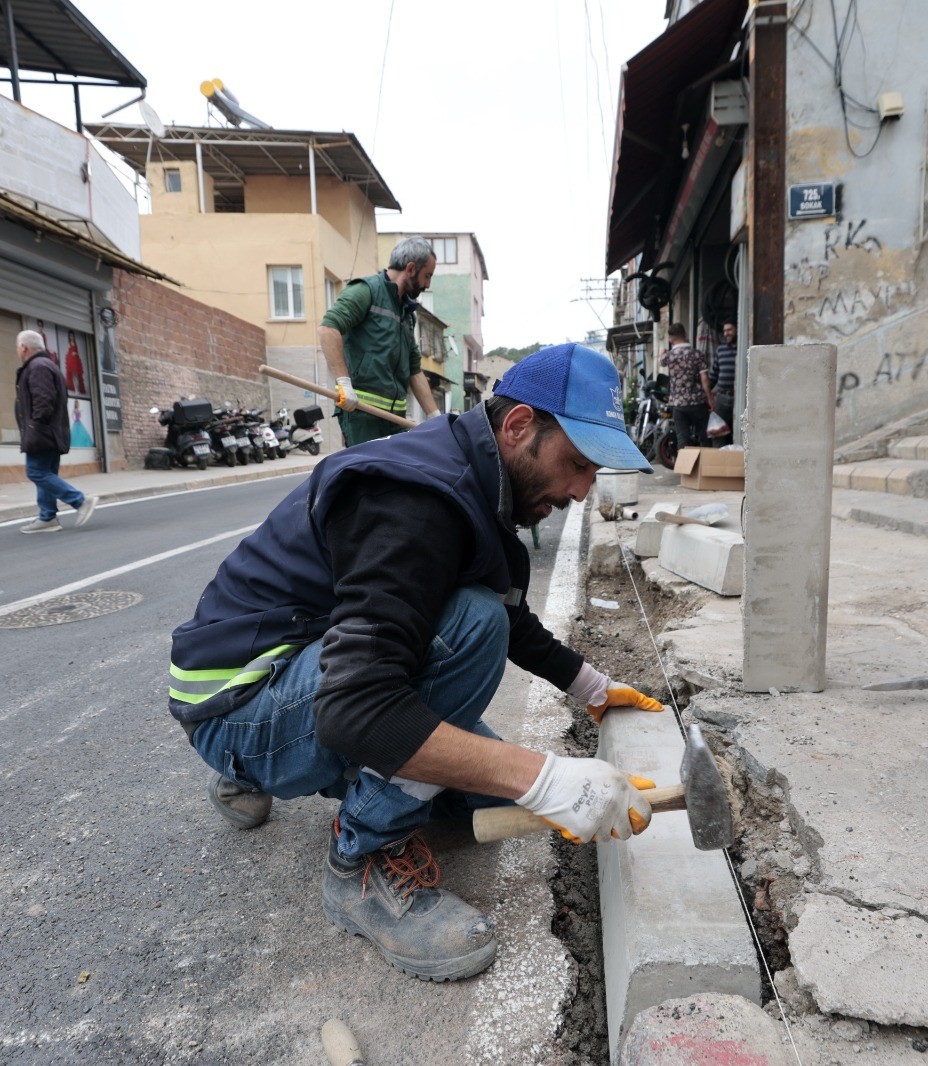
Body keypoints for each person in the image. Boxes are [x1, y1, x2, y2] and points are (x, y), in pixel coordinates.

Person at [167, 343, 666, 982]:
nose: (580, 489)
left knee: (470, 775)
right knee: (471, 630)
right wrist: (543, 780)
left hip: (279, 671)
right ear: (519, 427)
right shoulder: (416, 501)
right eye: (576, 464)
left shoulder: (476, 478)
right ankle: (361, 861)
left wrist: (593, 687)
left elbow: (510, 612)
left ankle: (257, 773)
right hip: (237, 703)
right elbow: (357, 711)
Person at [319, 236, 442, 446]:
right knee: (368, 469)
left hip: (395, 419)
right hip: (361, 414)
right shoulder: (366, 291)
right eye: (427, 276)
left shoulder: (406, 314)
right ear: (411, 268)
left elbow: (414, 371)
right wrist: (343, 383)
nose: (427, 284)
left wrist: (435, 417)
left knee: (397, 468)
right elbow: (328, 329)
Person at [15, 330, 97, 534]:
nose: (17, 350)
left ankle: (80, 501)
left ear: (24, 347)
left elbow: (44, 401)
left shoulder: (38, 367)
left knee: (36, 472)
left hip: (42, 433)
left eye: (17, 347)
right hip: (49, 432)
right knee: (46, 474)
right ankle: (47, 517)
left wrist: (34, 427)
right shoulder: (47, 365)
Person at [662, 322, 709, 450]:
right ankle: (706, 462)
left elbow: (661, 362)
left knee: (682, 438)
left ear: (670, 339)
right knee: (704, 437)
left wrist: (663, 353)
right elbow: (704, 378)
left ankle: (684, 463)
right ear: (686, 335)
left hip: (678, 404)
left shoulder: (669, 356)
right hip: (698, 402)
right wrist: (709, 398)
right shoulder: (697, 354)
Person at [706, 321, 737, 446]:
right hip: (722, 397)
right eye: (724, 331)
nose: (726, 333)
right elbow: (714, 375)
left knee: (740, 432)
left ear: (737, 330)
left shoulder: (745, 348)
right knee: (717, 433)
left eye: (729, 330)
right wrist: (706, 393)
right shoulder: (721, 350)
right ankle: (719, 456)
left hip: (740, 399)